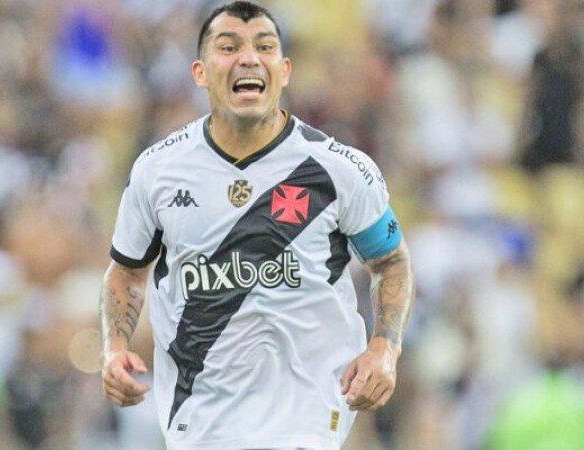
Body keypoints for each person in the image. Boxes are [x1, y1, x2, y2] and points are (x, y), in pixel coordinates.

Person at [99, 2, 415, 449]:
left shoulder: (338, 169)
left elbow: (391, 261)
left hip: (305, 420)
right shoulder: (159, 171)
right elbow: (126, 272)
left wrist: (385, 346)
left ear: (284, 71)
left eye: (264, 47)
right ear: (200, 72)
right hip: (200, 422)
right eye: (229, 47)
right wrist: (114, 347)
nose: (249, 58)